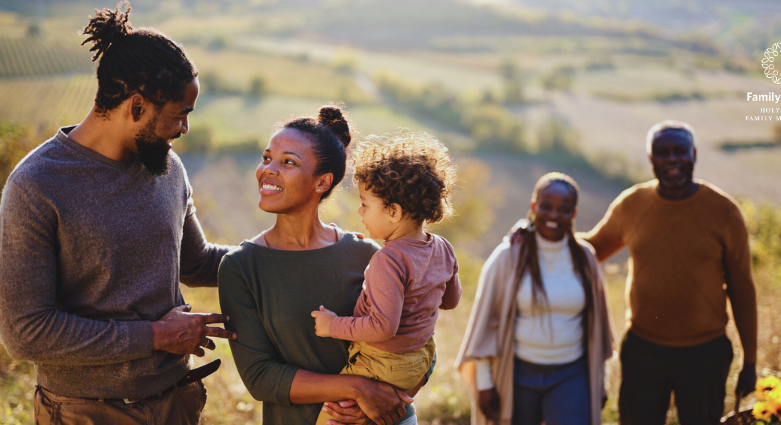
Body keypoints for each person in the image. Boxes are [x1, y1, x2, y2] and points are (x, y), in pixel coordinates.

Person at [0, 3, 236, 424]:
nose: (184, 130)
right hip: (86, 412)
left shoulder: (167, 168)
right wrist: (156, 336)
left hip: (175, 402)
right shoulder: (37, 185)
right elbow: (26, 331)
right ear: (136, 106)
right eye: (179, 116)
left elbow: (194, 262)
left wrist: (286, 254)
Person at [218, 107, 431, 425]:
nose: (268, 170)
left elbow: (420, 339)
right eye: (267, 158)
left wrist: (382, 400)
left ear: (322, 182)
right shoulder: (240, 267)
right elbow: (260, 376)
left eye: (288, 162)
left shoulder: (367, 255)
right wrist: (357, 390)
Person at [582, 120, 757, 425]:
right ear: (651, 159)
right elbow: (592, 249)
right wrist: (538, 234)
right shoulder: (632, 204)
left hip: (706, 353)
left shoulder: (724, 212)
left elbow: (743, 291)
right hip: (643, 349)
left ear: (694, 154)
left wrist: (750, 361)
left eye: (680, 151)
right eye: (663, 152)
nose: (672, 159)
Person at [311, 132, 463, 425]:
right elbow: (450, 300)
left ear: (393, 211)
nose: (360, 210)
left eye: (365, 204)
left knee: (333, 415)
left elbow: (382, 328)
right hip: (420, 359)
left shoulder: (388, 260)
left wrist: (333, 326)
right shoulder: (443, 247)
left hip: (381, 363)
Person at [456, 172, 614, 425]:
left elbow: (599, 328)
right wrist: (484, 384)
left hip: (572, 374)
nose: (553, 215)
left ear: (573, 214)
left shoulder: (585, 258)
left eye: (563, 209)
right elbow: (486, 326)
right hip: (517, 374)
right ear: (533, 206)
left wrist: (600, 381)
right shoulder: (508, 257)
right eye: (546, 206)